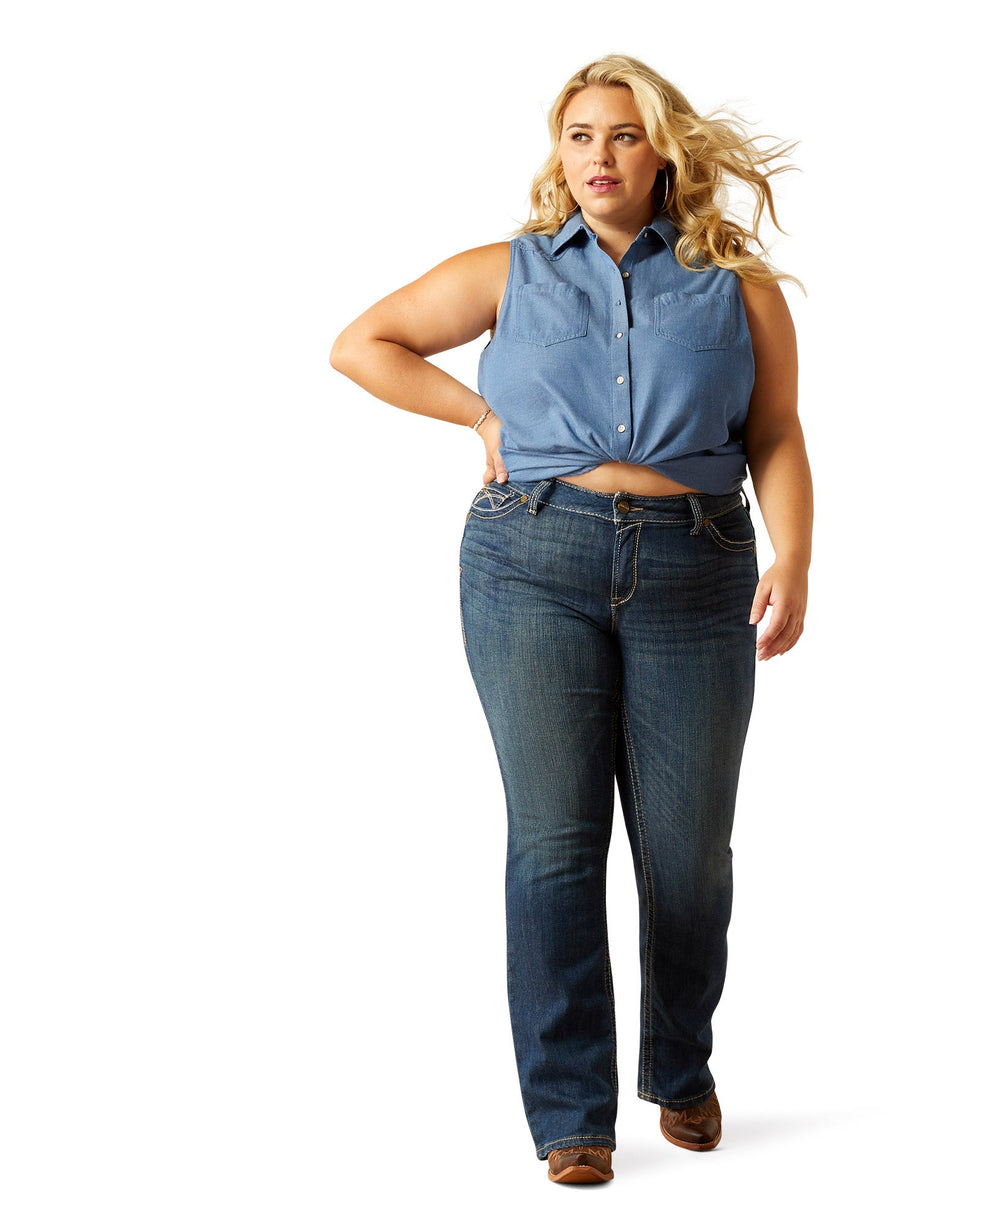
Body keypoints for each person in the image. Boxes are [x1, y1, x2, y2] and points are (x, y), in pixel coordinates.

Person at [329, 54, 812, 1184]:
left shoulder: (736, 286)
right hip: (530, 560)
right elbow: (362, 343)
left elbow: (777, 432)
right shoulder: (509, 271)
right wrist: (477, 414)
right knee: (554, 844)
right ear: (561, 154)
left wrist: (798, 553)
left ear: (666, 155)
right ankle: (571, 1117)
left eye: (626, 135)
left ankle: (680, 1068)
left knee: (689, 856)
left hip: (699, 566)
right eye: (582, 134)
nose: (601, 155)